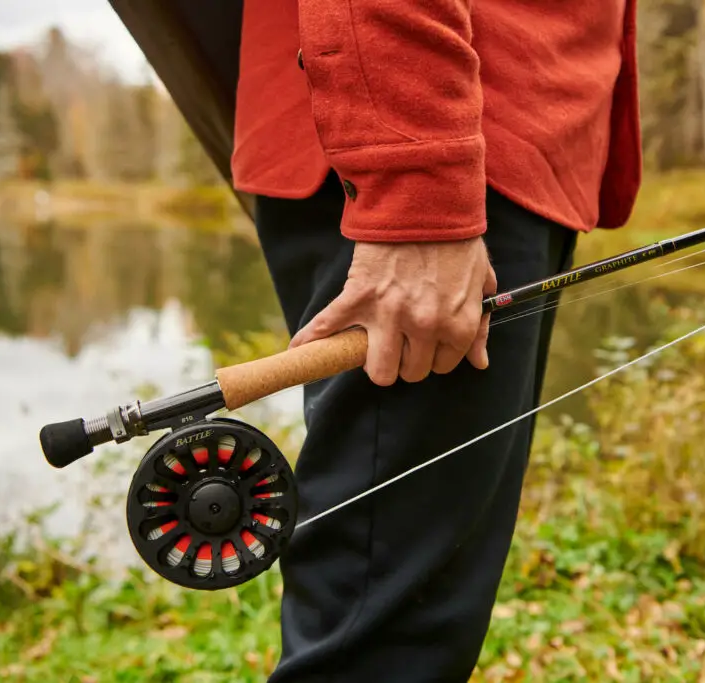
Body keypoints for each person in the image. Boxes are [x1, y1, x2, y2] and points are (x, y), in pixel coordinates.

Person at [230, 1, 642, 680]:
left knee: (418, 616)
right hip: (446, 149)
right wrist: (417, 182)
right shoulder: (429, 172)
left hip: (497, 151)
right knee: (389, 643)